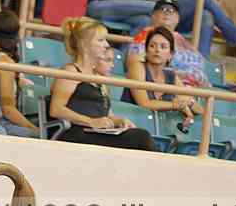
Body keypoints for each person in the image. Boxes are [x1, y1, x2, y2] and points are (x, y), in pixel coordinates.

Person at [50, 17, 156, 151]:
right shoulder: (71, 71)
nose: (106, 45)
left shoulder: (99, 77)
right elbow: (56, 109)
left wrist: (119, 121)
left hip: (97, 132)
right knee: (141, 137)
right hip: (77, 133)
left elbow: (106, 114)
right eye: (100, 40)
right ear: (84, 44)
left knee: (140, 135)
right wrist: (91, 121)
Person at [122, 26, 200, 129]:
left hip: (160, 130)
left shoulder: (171, 76)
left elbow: (199, 110)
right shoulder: (137, 67)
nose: (157, 50)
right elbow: (144, 103)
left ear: (171, 54)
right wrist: (174, 105)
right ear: (146, 51)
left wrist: (189, 102)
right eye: (152, 46)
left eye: (163, 47)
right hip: (132, 126)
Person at [127, 0, 209, 89]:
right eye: (163, 9)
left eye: (172, 11)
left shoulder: (182, 41)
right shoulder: (145, 36)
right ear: (153, 15)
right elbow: (136, 66)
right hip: (164, 89)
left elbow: (200, 68)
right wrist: (176, 76)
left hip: (194, 89)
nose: (167, 13)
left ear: (177, 18)